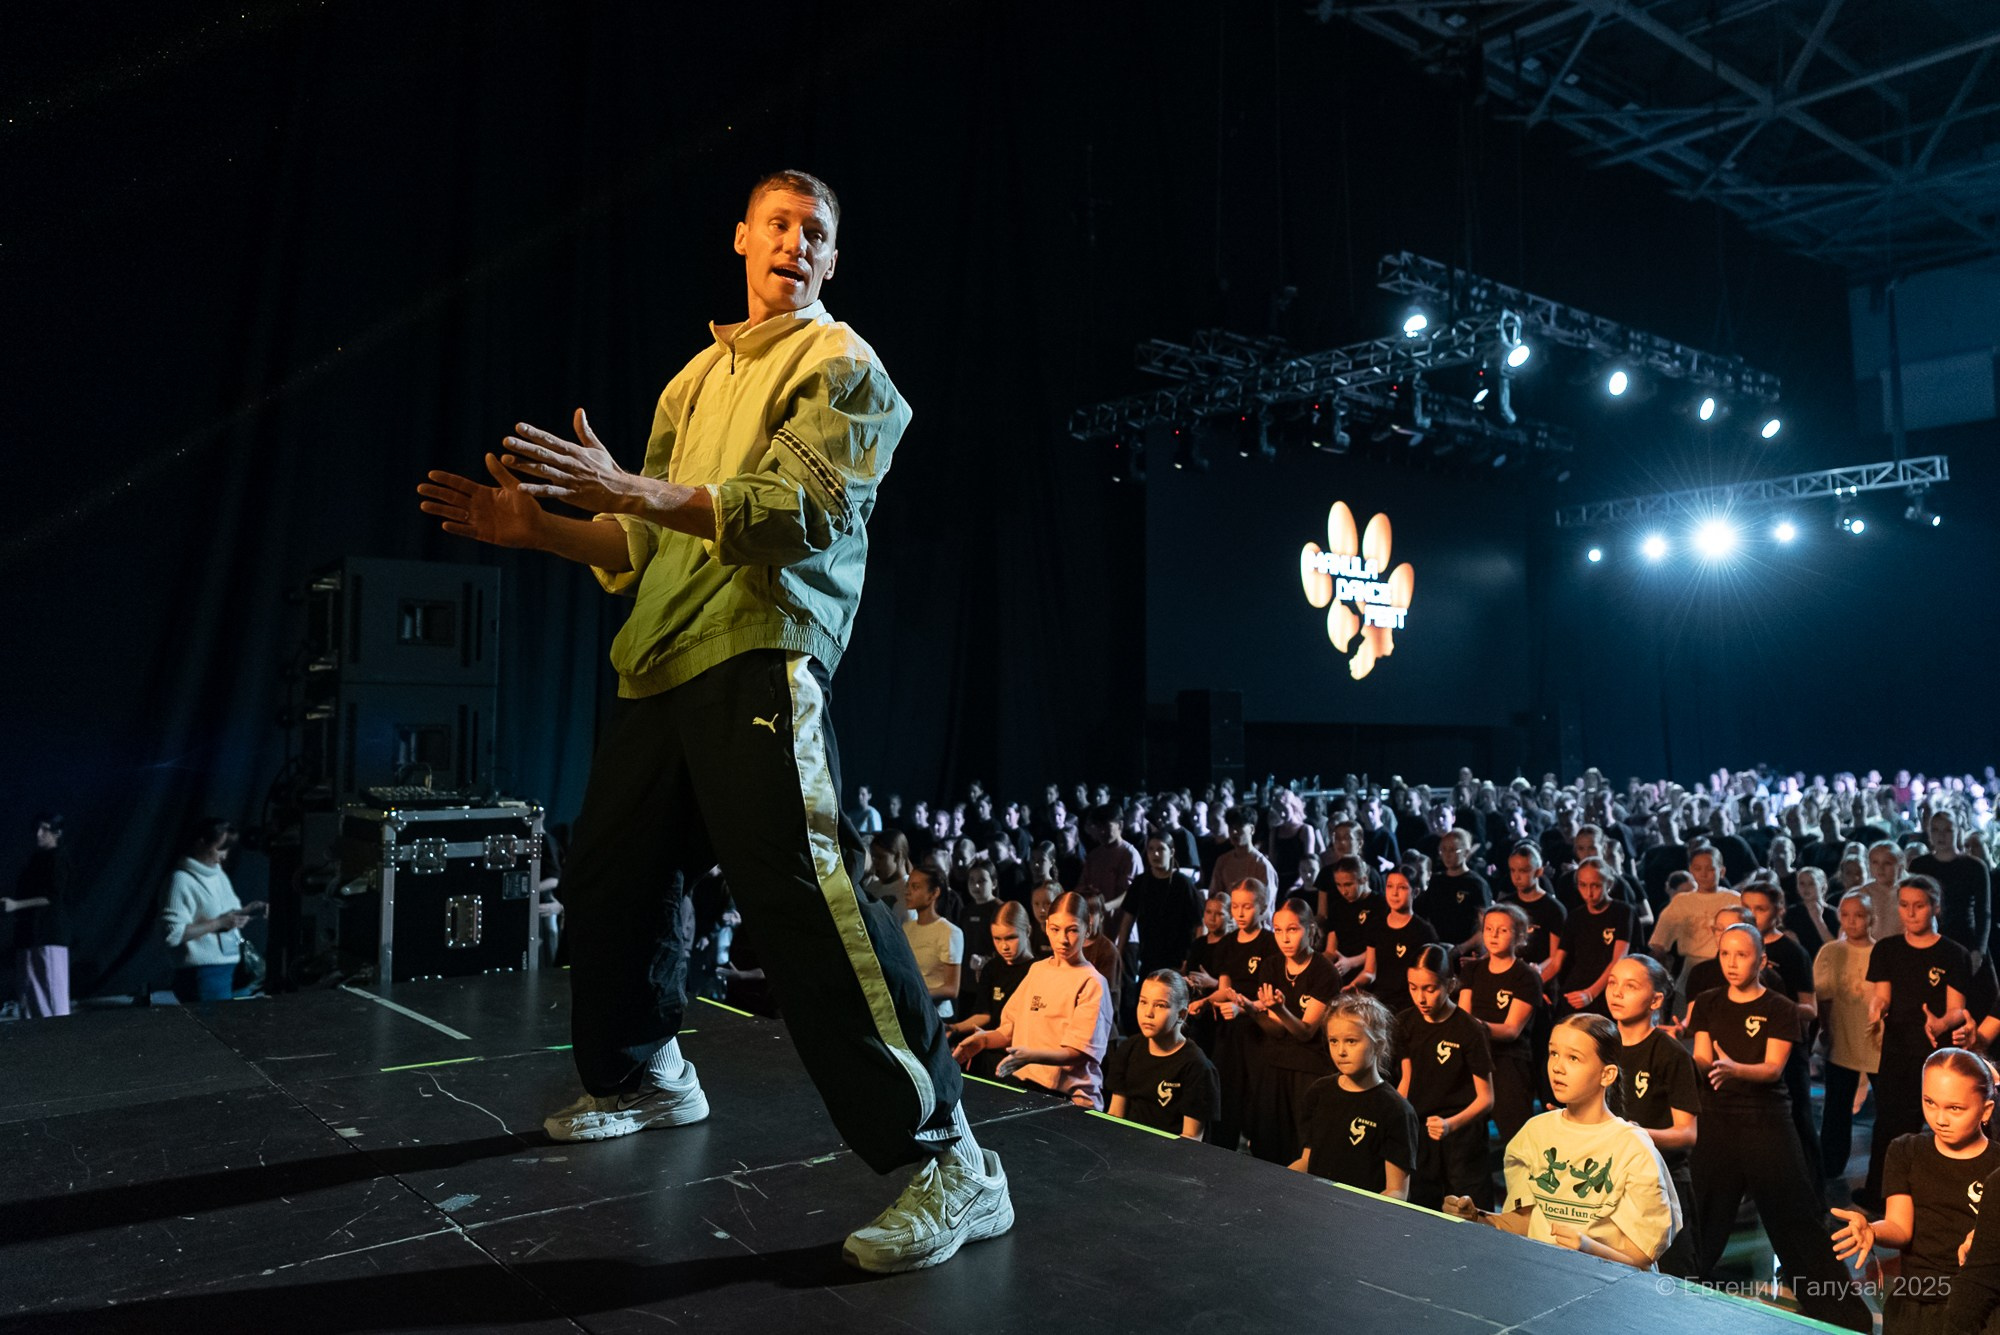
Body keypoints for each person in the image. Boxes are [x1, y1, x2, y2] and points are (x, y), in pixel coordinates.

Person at [416, 169, 1006, 1273]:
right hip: (660, 663)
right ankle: (646, 1074)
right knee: (610, 881)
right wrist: (535, 527)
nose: (794, 242)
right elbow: (643, 546)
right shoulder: (691, 383)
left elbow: (793, 515)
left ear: (831, 260)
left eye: (815, 232)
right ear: (742, 237)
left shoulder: (844, 366)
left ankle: (950, 1161)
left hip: (762, 651)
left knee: (802, 892)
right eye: (777, 223)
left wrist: (629, 490)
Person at [1690, 923, 1871, 1331]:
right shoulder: (1707, 1002)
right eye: (1725, 954)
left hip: (1766, 1123)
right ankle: (1670, 1294)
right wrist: (1705, 1066)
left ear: (1761, 959)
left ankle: (1847, 1318)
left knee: (1798, 1220)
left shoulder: (1780, 1008)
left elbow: (1772, 1070)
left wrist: (1735, 1068)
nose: (1732, 963)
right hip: (1717, 1120)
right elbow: (1702, 1056)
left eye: (1741, 954)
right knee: (1700, 1215)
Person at [1445, 1014, 1681, 1270]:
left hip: (1608, 1290)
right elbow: (1528, 1222)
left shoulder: (1632, 1147)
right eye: (1553, 1053)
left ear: (1607, 1074)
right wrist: (1478, 1218)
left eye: (1573, 1058)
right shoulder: (1535, 1132)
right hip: (1543, 1278)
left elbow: (1643, 1256)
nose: (1557, 1067)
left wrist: (1587, 1247)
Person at [1833, 1049, 2000, 1335]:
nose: (1940, 1119)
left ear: (1986, 1110)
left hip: (1978, 1307)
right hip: (1915, 1302)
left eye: (1955, 1108)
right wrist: (1873, 1230)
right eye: (1930, 1102)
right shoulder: (1906, 1151)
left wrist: (1984, 1239)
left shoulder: (1997, 1165)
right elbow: (1900, 1226)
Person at [1865, 875, 1975, 1210]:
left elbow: (1957, 1009)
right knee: (1889, 1123)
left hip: (1936, 1052)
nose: (1911, 913)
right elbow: (1881, 996)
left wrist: (1941, 1021)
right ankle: (1881, 1196)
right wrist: (1875, 1009)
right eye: (1904, 906)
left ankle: (1939, 1197)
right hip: (1897, 1049)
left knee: (1941, 1124)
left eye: (1919, 906)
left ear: (1935, 907)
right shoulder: (1886, 949)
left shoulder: (1953, 953)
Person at [954, 891, 1113, 1109]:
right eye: (1056, 929)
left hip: (1071, 1100)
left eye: (1073, 930)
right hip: (1029, 1088)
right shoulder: (1038, 970)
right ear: (1047, 927)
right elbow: (1010, 1029)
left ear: (1088, 929)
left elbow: (1079, 1052)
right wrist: (983, 1040)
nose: (1063, 939)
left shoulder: (1092, 982)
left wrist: (1031, 1056)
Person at [1605, 954, 1701, 1277]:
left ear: (1656, 999)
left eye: (1630, 986)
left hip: (1664, 1182)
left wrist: (1635, 1133)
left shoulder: (1670, 1054)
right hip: (1611, 1179)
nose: (1617, 993)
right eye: (1612, 983)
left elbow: (1687, 1133)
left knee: (1675, 1281)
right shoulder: (1600, 1046)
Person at [1292, 991, 1418, 1198]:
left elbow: (1396, 1190)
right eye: (1334, 1041)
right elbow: (1307, 1160)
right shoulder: (1319, 1092)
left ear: (1379, 1045)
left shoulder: (1396, 1111)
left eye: (1351, 1041)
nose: (1340, 1051)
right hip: (1315, 1206)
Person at [1397, 944, 1495, 1210]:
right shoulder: (1405, 1023)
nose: (1420, 998)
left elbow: (1486, 1098)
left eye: (1430, 989)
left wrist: (1451, 1124)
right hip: (1421, 1133)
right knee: (1419, 1209)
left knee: (1469, 1212)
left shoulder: (1469, 1029)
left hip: (1462, 1136)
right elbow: (1406, 1081)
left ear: (1450, 984)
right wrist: (1397, 1119)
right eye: (1413, 987)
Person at [1244, 898, 1340, 1165]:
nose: (1284, 938)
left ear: (1310, 930)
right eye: (1278, 930)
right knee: (1266, 1143)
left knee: (1302, 1145)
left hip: (1308, 1069)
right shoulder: (1272, 966)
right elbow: (1276, 1031)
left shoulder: (1325, 972)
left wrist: (1281, 1009)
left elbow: (1306, 1032)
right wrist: (1252, 1011)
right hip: (1273, 1064)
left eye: (1293, 929)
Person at [1200, 879, 1282, 1149]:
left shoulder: (1271, 944)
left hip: (1258, 1029)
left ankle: (1257, 1149)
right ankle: (1222, 1148)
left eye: (1247, 906)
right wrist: (1204, 1002)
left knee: (1255, 1095)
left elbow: (1270, 997)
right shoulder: (1227, 944)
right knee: (1226, 1091)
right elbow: (1224, 989)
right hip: (1229, 1030)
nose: (1240, 913)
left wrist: (1244, 1007)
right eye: (1235, 906)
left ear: (1263, 907)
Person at [1460, 903, 1541, 1148]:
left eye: (1502, 930)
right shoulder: (1473, 969)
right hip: (1474, 1057)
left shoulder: (1526, 976)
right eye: (1489, 929)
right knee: (1469, 1137)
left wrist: (1475, 1026)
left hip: (1509, 1061)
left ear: (1518, 936)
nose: (1493, 935)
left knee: (1516, 1137)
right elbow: (1463, 1014)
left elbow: (1511, 1029)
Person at [1104, 971, 1219, 1139]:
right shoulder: (1129, 1049)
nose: (1148, 1013)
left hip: (1170, 1157)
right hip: (1128, 1147)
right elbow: (1115, 1114)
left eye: (1160, 1005)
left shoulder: (1197, 1067)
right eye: (1143, 1002)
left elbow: (1192, 1138)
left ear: (1181, 1015)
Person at [1815, 892, 1881, 1184]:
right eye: (1846, 915)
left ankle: (1881, 1170)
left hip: (1874, 1039)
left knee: (1885, 1106)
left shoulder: (1881, 952)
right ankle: (1831, 1165)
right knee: (1837, 1104)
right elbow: (1823, 995)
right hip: (1841, 1036)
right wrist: (1826, 1029)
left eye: (1859, 915)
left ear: (1871, 919)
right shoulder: (1831, 951)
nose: (1852, 922)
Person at [160, 818, 263, 1004]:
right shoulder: (180, 880)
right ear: (201, 843)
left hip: (228, 969)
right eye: (220, 848)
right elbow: (172, 934)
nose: (224, 856)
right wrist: (219, 923)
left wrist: (247, 912)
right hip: (204, 973)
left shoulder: (218, 874)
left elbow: (225, 914)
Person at [948, 903, 1036, 1078]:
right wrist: (954, 1028)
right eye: (997, 939)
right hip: (986, 1053)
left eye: (1010, 938)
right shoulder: (992, 967)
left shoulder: (1037, 970)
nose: (1003, 946)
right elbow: (985, 1013)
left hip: (1016, 1058)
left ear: (1027, 931)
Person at [8, 812, 74, 1018]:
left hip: (48, 936)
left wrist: (16, 905)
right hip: (30, 935)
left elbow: (52, 897)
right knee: (30, 995)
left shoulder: (58, 859)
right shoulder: (36, 860)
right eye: (37, 828)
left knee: (52, 997)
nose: (38, 834)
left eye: (45, 829)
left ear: (57, 833)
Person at [1552, 857, 1632, 1019]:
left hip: (1606, 989)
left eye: (1595, 885)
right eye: (1583, 885)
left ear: (1608, 885)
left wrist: (1591, 993)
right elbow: (1557, 962)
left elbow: (1618, 959)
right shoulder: (1575, 916)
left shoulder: (1622, 912)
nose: (1589, 893)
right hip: (1576, 990)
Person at [1358, 867, 1439, 1009]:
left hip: (1410, 1003)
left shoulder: (1424, 932)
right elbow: (1370, 971)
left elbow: (1431, 977)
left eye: (1402, 888)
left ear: (1415, 892)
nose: (1394, 893)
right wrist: (1354, 985)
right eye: (1390, 886)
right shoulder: (1376, 925)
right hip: (1380, 1000)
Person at [902, 867, 963, 1020]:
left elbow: (951, 988)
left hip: (937, 1016)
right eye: (908, 886)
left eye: (915, 887)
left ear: (934, 893)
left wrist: (917, 994)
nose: (908, 892)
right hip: (911, 1012)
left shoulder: (948, 932)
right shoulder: (906, 928)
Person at [1209, 809, 1279, 909]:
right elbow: (1214, 895)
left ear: (1252, 829)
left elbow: (1265, 906)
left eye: (1239, 827)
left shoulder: (1262, 865)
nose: (1234, 832)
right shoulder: (1222, 861)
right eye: (1231, 827)